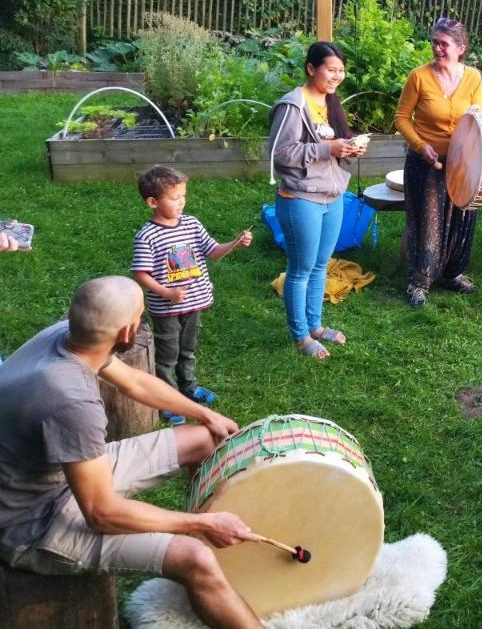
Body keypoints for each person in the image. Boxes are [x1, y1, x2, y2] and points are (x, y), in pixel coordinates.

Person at [0, 276, 261, 629]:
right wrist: (201, 523)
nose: (143, 322)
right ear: (127, 333)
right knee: (193, 557)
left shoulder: (66, 336)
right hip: (30, 524)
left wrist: (205, 414)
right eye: (141, 316)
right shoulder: (72, 402)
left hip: (58, 475)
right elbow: (102, 513)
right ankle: (206, 559)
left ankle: (221, 560)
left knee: (204, 440)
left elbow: (136, 381)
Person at [131, 165, 252, 425]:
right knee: (167, 356)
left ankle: (189, 387)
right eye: (175, 198)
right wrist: (166, 292)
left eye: (183, 195)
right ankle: (168, 399)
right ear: (153, 202)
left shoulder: (192, 224)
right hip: (166, 309)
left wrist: (235, 243)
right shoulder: (147, 236)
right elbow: (141, 273)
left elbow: (214, 251)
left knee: (188, 350)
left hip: (194, 304)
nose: (182, 202)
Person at [267, 41, 363, 357]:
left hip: (332, 195)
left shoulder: (330, 102)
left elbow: (329, 145)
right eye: (330, 70)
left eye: (340, 71)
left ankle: (316, 326)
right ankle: (300, 336)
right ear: (311, 68)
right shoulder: (293, 105)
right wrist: (329, 149)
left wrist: (348, 147)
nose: (337, 76)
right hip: (300, 198)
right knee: (301, 268)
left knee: (321, 265)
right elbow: (280, 155)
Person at [394, 17, 482, 308]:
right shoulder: (418, 77)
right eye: (434, 42)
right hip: (424, 162)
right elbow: (401, 119)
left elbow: (475, 117)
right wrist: (421, 146)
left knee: (462, 216)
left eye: (443, 44)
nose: (437, 48)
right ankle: (419, 282)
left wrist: (472, 153)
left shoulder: (473, 78)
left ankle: (452, 273)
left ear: (461, 47)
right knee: (428, 221)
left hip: (462, 161)